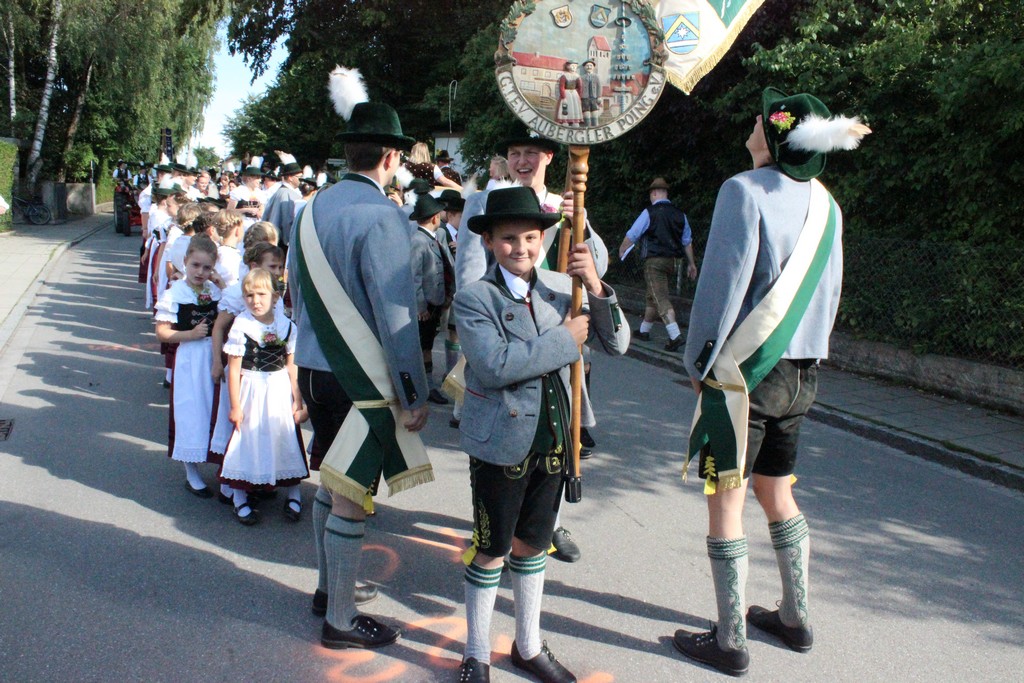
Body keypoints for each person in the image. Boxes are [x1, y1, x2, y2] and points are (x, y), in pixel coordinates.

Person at [673, 88, 870, 677]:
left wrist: (699, 364)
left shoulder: (742, 190)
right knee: (777, 490)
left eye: (759, 120)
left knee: (725, 499)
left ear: (774, 134)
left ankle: (730, 638)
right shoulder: (828, 205)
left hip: (746, 375)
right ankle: (795, 617)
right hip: (803, 370)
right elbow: (829, 294)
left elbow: (721, 287)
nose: (751, 125)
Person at [453, 186, 630, 683]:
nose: (521, 248)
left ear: (543, 238)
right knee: (491, 548)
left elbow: (617, 343)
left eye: (531, 237)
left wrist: (596, 286)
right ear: (489, 241)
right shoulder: (474, 299)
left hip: (555, 439)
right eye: (508, 239)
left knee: (533, 543)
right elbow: (493, 366)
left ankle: (527, 646)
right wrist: (563, 339)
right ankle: (476, 653)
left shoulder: (562, 285)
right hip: (500, 442)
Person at [287, 67, 433, 650]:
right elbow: (398, 318)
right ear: (392, 157)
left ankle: (330, 590)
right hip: (360, 382)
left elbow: (298, 289)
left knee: (328, 482)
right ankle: (340, 621)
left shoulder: (310, 208)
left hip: (315, 368)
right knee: (352, 498)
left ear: (349, 154)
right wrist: (414, 393)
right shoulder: (385, 216)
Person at [457, 123, 608, 561]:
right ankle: (491, 527)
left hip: (560, 351)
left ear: (549, 159)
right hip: (502, 347)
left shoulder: (568, 206)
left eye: (532, 153)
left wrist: (581, 219)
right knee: (501, 451)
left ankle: (550, 524)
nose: (523, 161)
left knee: (559, 438)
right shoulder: (484, 204)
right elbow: (469, 276)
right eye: (516, 152)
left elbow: (597, 265)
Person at [221, 267, 309, 525]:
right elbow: (234, 369)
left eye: (261, 294)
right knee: (246, 440)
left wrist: (298, 400)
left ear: (275, 296)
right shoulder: (241, 325)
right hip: (251, 388)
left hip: (279, 388)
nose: (255, 301)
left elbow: (292, 366)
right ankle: (239, 496)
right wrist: (235, 406)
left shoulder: (286, 326)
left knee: (284, 437)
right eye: (249, 295)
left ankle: (293, 493)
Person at [154, 234, 222, 497]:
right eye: (195, 265)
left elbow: (233, 313)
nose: (200, 272)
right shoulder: (175, 293)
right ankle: (191, 472)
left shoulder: (215, 291)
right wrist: (189, 335)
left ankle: (222, 467)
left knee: (213, 410)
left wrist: (222, 284)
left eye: (206, 267)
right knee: (191, 412)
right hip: (190, 358)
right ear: (185, 262)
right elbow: (162, 332)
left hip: (213, 355)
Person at [617, 177, 698, 351]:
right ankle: (643, 331)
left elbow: (633, 233)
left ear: (654, 193)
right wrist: (691, 264)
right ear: (666, 193)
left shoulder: (650, 212)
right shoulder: (680, 215)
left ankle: (675, 336)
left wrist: (622, 249)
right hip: (672, 262)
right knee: (652, 295)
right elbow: (687, 241)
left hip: (654, 261)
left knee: (660, 297)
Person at [408, 192, 452, 405]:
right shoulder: (419, 240)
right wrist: (420, 306)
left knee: (426, 344)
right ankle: (426, 386)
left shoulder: (433, 238)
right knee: (423, 347)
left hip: (435, 302)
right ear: (434, 217)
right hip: (426, 306)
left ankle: (425, 384)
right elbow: (414, 275)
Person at [262, 151, 304, 248]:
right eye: (299, 177)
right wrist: (289, 242)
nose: (301, 180)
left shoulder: (280, 192)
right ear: (290, 178)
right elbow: (287, 221)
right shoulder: (286, 194)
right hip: (282, 242)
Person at [555, 61, 584, 127]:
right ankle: (565, 120)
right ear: (568, 66)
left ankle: (575, 121)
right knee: (566, 107)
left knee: (574, 106)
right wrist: (563, 96)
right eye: (572, 65)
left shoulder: (577, 76)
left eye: (575, 66)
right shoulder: (564, 76)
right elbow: (561, 86)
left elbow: (580, 87)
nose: (574, 67)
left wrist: (579, 96)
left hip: (574, 94)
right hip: (566, 93)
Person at [580, 60, 602, 127]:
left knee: (594, 113)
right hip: (585, 98)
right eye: (587, 66)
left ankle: (595, 126)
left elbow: (599, 87)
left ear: (593, 67)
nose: (589, 67)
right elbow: (580, 87)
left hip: (594, 98)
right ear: (584, 67)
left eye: (590, 66)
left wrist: (599, 96)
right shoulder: (582, 77)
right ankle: (587, 126)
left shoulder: (596, 76)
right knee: (586, 114)